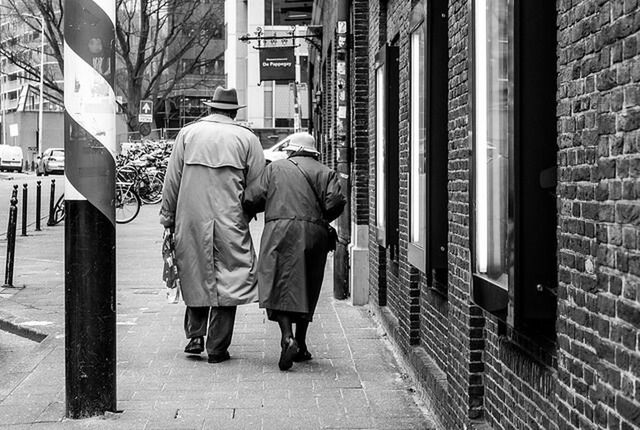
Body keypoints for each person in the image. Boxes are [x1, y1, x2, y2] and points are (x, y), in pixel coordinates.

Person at [160, 87, 265, 363]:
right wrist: (249, 212)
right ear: (233, 112)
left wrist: (167, 217)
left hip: (190, 216)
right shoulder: (247, 139)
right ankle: (217, 347)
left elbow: (172, 179)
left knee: (195, 271)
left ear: (210, 109)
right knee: (229, 277)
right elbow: (258, 187)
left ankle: (195, 335)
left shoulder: (188, 134)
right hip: (230, 216)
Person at [243, 132, 345, 371]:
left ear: (291, 150)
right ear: (313, 152)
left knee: (279, 283)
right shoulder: (326, 172)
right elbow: (336, 202)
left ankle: (287, 336)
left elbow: (252, 197)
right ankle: (301, 343)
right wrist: (318, 219)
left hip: (280, 231)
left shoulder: (275, 168)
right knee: (308, 284)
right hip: (314, 234)